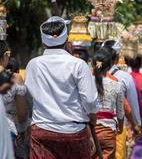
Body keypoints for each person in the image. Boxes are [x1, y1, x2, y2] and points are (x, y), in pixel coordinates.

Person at [25, 16, 98, 159]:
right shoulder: (78, 65)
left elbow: (28, 99)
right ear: (66, 40)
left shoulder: (33, 64)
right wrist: (92, 120)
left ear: (43, 41)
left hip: (42, 131)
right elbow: (89, 100)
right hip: (74, 132)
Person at [102, 39, 141, 159]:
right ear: (118, 56)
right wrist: (136, 125)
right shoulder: (125, 77)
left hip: (94, 128)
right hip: (117, 127)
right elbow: (131, 106)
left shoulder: (91, 74)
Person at [92, 46, 125, 159]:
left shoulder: (85, 83)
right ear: (110, 64)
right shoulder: (117, 85)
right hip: (108, 131)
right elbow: (120, 113)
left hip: (90, 131)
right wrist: (120, 127)